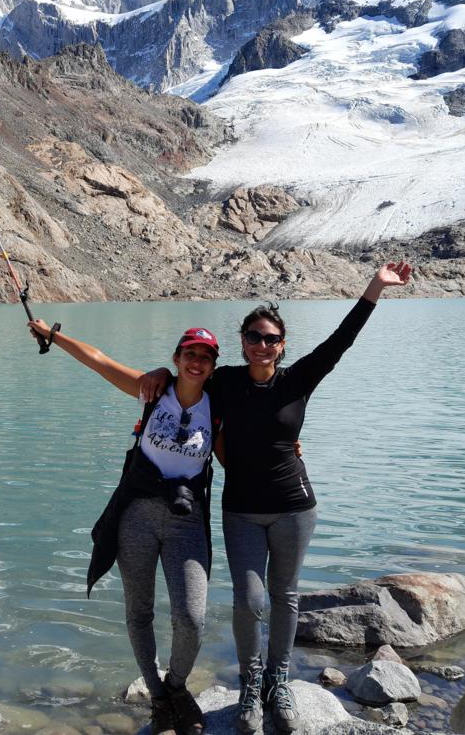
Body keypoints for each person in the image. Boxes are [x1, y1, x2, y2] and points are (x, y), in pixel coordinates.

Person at [140, 262, 412, 733]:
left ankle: (278, 680)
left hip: (294, 507)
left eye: (270, 339)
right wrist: (160, 369)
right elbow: (188, 376)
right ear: (243, 341)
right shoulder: (224, 381)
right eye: (254, 336)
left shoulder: (297, 379)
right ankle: (250, 682)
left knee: (285, 597)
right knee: (249, 600)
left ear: (281, 345)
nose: (262, 345)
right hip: (241, 509)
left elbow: (341, 340)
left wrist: (376, 287)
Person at [28, 319, 221, 735]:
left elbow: (243, 454)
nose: (196, 362)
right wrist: (53, 336)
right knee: (139, 611)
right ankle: (157, 696)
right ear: (177, 358)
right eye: (190, 354)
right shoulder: (153, 390)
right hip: (136, 517)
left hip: (186, 524)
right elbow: (99, 361)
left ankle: (176, 687)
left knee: (191, 617)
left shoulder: (216, 410)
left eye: (205, 357)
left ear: (212, 367)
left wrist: (287, 450)